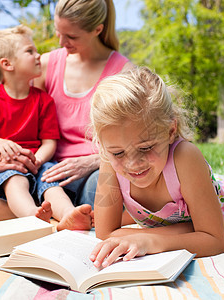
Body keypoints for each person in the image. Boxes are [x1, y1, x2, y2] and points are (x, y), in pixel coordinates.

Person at [88, 67, 224, 268]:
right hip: (191, 205)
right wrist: (189, 230)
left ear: (171, 130)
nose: (132, 163)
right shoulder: (108, 160)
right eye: (118, 153)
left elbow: (215, 240)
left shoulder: (185, 157)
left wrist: (148, 241)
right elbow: (104, 233)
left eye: (146, 147)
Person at [34, 0, 133, 208]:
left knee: (101, 188)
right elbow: (15, 113)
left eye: (71, 37)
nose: (61, 42)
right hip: (48, 168)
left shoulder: (123, 72)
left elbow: (136, 139)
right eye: (58, 32)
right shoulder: (45, 65)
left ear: (97, 30)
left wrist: (94, 161)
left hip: (98, 169)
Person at [0, 25, 93, 230]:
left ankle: (68, 215)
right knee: (15, 180)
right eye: (29, 51)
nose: (38, 55)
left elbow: (49, 143)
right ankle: (32, 217)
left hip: (39, 162)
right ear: (7, 64)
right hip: (9, 166)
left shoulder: (43, 100)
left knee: (52, 182)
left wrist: (37, 161)